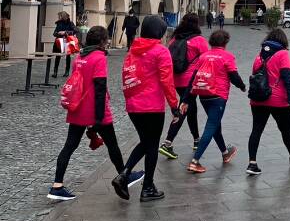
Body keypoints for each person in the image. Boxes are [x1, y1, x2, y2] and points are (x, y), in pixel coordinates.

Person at [49, 26, 142, 201]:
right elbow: (99, 88)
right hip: (94, 108)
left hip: (78, 108)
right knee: (113, 145)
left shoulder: (80, 56)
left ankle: (57, 185)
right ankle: (124, 176)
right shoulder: (99, 58)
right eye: (106, 40)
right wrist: (98, 118)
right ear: (102, 41)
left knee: (69, 146)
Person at [115, 15, 180, 202]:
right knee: (151, 145)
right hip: (152, 106)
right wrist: (174, 106)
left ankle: (125, 174)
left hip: (134, 106)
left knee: (146, 142)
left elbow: (126, 76)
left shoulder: (133, 51)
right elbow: (167, 81)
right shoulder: (160, 51)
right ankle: (147, 186)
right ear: (159, 31)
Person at [183, 30, 244, 173]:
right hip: (218, 95)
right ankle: (195, 160)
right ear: (225, 42)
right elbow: (233, 75)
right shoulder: (227, 56)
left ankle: (225, 152)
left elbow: (193, 78)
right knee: (211, 126)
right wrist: (242, 86)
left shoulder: (203, 56)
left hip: (204, 95)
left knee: (215, 125)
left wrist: (186, 99)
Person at [246, 29, 290, 175]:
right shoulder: (282, 54)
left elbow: (255, 75)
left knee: (256, 130)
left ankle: (252, 163)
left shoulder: (260, 55)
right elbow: (287, 76)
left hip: (258, 99)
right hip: (278, 99)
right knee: (285, 129)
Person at [158, 13, 209, 160]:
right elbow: (206, 60)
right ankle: (167, 142)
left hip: (176, 80)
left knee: (190, 107)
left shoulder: (174, 39)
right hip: (190, 81)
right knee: (184, 108)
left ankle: (196, 139)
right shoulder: (199, 40)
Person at [52, 12, 78, 78]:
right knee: (58, 56)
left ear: (64, 16)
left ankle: (67, 72)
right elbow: (54, 33)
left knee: (68, 56)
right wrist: (58, 33)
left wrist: (65, 32)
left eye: (60, 16)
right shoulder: (59, 23)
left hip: (67, 41)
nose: (59, 17)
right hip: (59, 41)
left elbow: (75, 30)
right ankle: (55, 72)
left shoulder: (70, 23)